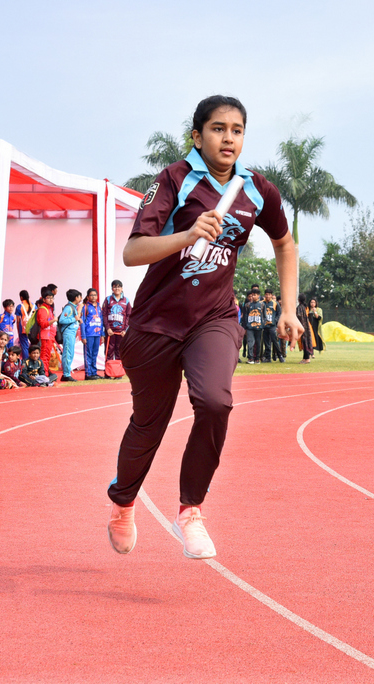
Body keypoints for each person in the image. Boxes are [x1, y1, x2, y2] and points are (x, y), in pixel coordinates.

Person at [105, 95, 303, 560]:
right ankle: (123, 502)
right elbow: (133, 253)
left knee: (215, 402)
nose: (228, 137)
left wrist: (288, 309)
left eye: (236, 129)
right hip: (155, 323)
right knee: (147, 426)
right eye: (217, 128)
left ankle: (190, 509)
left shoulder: (257, 190)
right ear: (197, 135)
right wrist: (188, 234)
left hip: (213, 319)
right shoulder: (174, 180)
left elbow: (286, 245)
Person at [101, 279, 131, 377]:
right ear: (112, 288)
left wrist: (125, 329)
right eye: (115, 287)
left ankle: (118, 372)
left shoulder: (126, 300)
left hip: (121, 332)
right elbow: (104, 314)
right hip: (110, 332)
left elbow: (128, 316)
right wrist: (107, 328)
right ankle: (108, 373)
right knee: (109, 350)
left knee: (119, 351)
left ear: (122, 288)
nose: (117, 288)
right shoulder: (108, 299)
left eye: (119, 287)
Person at [57, 289, 82, 382]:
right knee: (67, 353)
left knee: (70, 353)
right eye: (79, 296)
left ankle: (67, 373)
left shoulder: (73, 307)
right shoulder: (69, 308)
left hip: (72, 333)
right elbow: (62, 320)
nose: (81, 298)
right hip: (68, 333)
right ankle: (66, 374)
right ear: (76, 297)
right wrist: (73, 319)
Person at [81, 288, 103, 380]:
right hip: (88, 334)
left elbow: (101, 321)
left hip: (97, 334)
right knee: (88, 354)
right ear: (88, 296)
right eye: (91, 295)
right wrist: (83, 336)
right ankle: (88, 373)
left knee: (95, 353)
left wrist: (102, 334)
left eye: (95, 295)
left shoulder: (99, 307)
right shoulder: (85, 307)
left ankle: (94, 372)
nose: (93, 297)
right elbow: (82, 322)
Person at [35, 291, 57, 376]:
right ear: (44, 299)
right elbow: (43, 324)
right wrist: (53, 320)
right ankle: (43, 375)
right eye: (49, 298)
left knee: (47, 357)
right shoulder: (43, 310)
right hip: (45, 337)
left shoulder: (49, 309)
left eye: (52, 298)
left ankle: (45, 374)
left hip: (49, 337)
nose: (51, 300)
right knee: (44, 357)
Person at [242, 290, 264, 364]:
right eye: (252, 295)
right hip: (250, 327)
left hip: (258, 327)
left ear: (258, 296)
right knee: (250, 342)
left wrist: (262, 325)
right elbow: (245, 316)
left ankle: (257, 358)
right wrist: (245, 327)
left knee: (258, 343)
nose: (252, 297)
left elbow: (264, 316)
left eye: (254, 295)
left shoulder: (262, 305)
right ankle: (250, 358)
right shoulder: (247, 305)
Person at [261, 289, 282, 363]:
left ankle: (280, 356)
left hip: (272, 325)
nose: (267, 296)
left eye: (269, 294)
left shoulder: (275, 303)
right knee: (266, 342)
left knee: (275, 341)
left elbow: (279, 313)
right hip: (265, 326)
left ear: (271, 295)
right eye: (266, 294)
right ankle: (268, 357)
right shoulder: (262, 303)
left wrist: (275, 320)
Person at [296, 295, 314, 363]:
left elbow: (299, 317)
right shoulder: (305, 307)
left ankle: (307, 359)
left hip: (302, 327)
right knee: (305, 342)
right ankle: (304, 358)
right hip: (307, 326)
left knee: (305, 342)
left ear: (299, 299)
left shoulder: (299, 307)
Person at [15, 290, 32, 360]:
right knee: (33, 347)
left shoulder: (19, 307)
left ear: (21, 297)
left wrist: (18, 331)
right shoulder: (34, 306)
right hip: (33, 329)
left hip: (23, 329)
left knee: (25, 346)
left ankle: (26, 363)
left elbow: (18, 320)